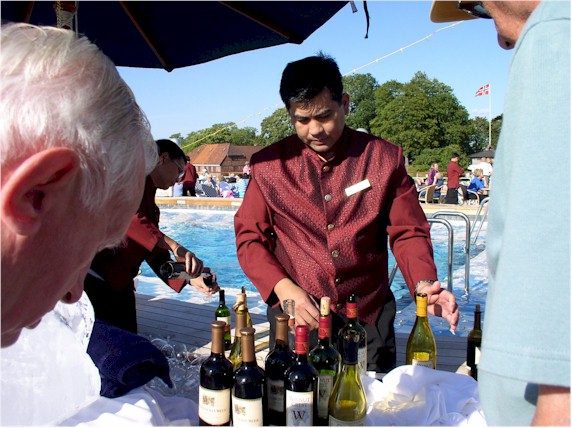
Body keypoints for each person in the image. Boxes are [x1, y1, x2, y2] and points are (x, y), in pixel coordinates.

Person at [0, 23, 199, 425]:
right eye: (87, 250)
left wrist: (183, 276)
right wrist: (176, 250)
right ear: (34, 195)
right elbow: (139, 233)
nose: (74, 294)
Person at [234, 53, 459, 373]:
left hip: (370, 319)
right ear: (289, 113)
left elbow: (408, 230)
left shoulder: (384, 158)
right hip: (299, 317)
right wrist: (283, 288)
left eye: (325, 116)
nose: (315, 130)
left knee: (373, 401)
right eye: (302, 120)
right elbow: (250, 238)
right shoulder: (268, 166)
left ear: (345, 104)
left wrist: (424, 284)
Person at [431, 1, 569, 425]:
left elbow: (556, 245)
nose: (501, 40)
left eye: (477, 7)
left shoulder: (555, 33)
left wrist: (556, 406)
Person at [85, 139, 218, 333]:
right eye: (179, 170)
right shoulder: (125, 182)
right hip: (94, 285)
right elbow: (131, 220)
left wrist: (190, 277)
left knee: (128, 344)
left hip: (121, 288)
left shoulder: (151, 207)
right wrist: (175, 246)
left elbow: (155, 256)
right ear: (163, 158)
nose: (179, 179)